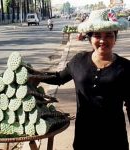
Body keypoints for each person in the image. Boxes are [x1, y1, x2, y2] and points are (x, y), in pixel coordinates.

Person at [29, 9, 130, 150]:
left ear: (115, 37)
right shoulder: (79, 61)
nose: (103, 40)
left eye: (109, 35)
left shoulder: (125, 67)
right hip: (84, 135)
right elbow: (59, 78)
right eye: (97, 35)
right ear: (89, 38)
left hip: (114, 137)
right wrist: (36, 76)